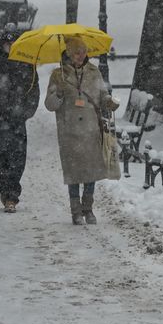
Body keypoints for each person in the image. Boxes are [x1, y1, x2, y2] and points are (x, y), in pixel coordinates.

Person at [44, 36, 118, 225]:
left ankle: (88, 208)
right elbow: (50, 105)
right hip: (69, 132)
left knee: (91, 171)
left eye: (83, 51)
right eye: (77, 52)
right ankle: (76, 211)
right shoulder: (58, 75)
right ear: (69, 53)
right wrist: (58, 92)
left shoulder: (94, 72)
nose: (81, 55)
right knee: (73, 173)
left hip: (91, 130)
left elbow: (102, 96)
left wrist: (109, 102)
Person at [0, 29, 40, 212]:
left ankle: (11, 194)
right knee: (0, 157)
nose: (11, 47)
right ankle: (6, 190)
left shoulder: (26, 64)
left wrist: (27, 111)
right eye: (8, 44)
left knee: (18, 158)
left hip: (17, 119)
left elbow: (33, 90)